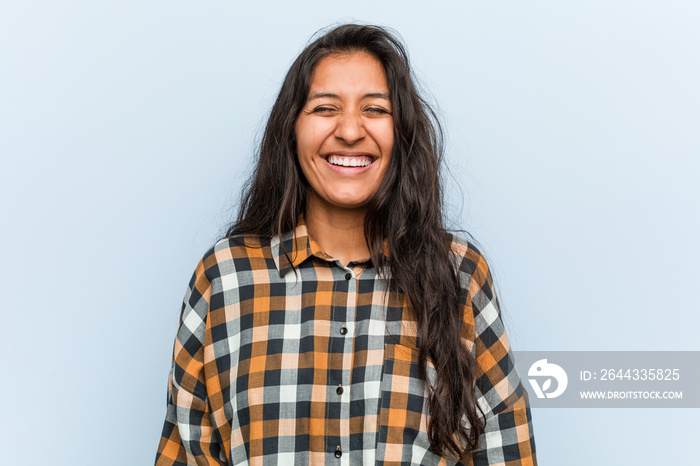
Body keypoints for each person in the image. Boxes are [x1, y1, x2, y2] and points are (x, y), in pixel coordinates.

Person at [155, 24, 537, 465]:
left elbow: (506, 452)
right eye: (325, 108)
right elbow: (184, 453)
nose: (350, 131)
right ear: (292, 129)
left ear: (403, 133)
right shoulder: (226, 277)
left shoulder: (459, 275)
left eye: (375, 109)